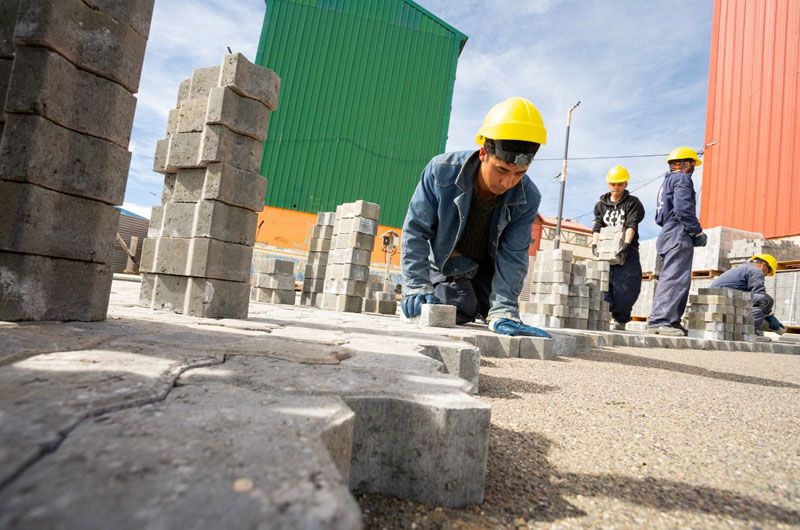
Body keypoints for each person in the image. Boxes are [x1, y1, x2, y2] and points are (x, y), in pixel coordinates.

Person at [400, 97, 550, 338]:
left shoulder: (528, 197)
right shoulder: (441, 172)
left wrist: (504, 310)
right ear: (483, 153)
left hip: (483, 269)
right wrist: (416, 285)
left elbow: (514, 256)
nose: (508, 182)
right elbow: (415, 231)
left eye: (519, 173)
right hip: (445, 263)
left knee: (496, 311)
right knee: (462, 304)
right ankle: (435, 295)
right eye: (501, 170)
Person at [648, 146, 707, 336]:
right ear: (683, 164)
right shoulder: (682, 179)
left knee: (677, 278)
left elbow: (659, 217)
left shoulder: (665, 183)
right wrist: (697, 232)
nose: (693, 169)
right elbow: (683, 209)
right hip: (678, 232)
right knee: (674, 278)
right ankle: (661, 321)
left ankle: (671, 321)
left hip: (667, 232)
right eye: (692, 165)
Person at [591, 165, 645, 331]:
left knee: (627, 285)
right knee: (604, 284)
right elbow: (597, 225)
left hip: (627, 251)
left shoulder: (632, 203)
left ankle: (620, 319)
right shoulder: (600, 205)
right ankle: (605, 316)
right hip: (605, 251)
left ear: (625, 184)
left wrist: (626, 245)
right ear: (608, 184)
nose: (616, 187)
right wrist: (594, 243)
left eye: (620, 184)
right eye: (613, 184)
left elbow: (631, 224)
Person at [710, 254, 787, 335]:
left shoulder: (743, 268)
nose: (766, 275)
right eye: (767, 272)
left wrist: (766, 314)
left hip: (717, 294)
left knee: (761, 302)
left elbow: (751, 296)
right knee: (766, 300)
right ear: (763, 265)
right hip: (724, 295)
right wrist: (770, 316)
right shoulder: (756, 271)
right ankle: (747, 333)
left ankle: (743, 328)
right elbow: (760, 294)